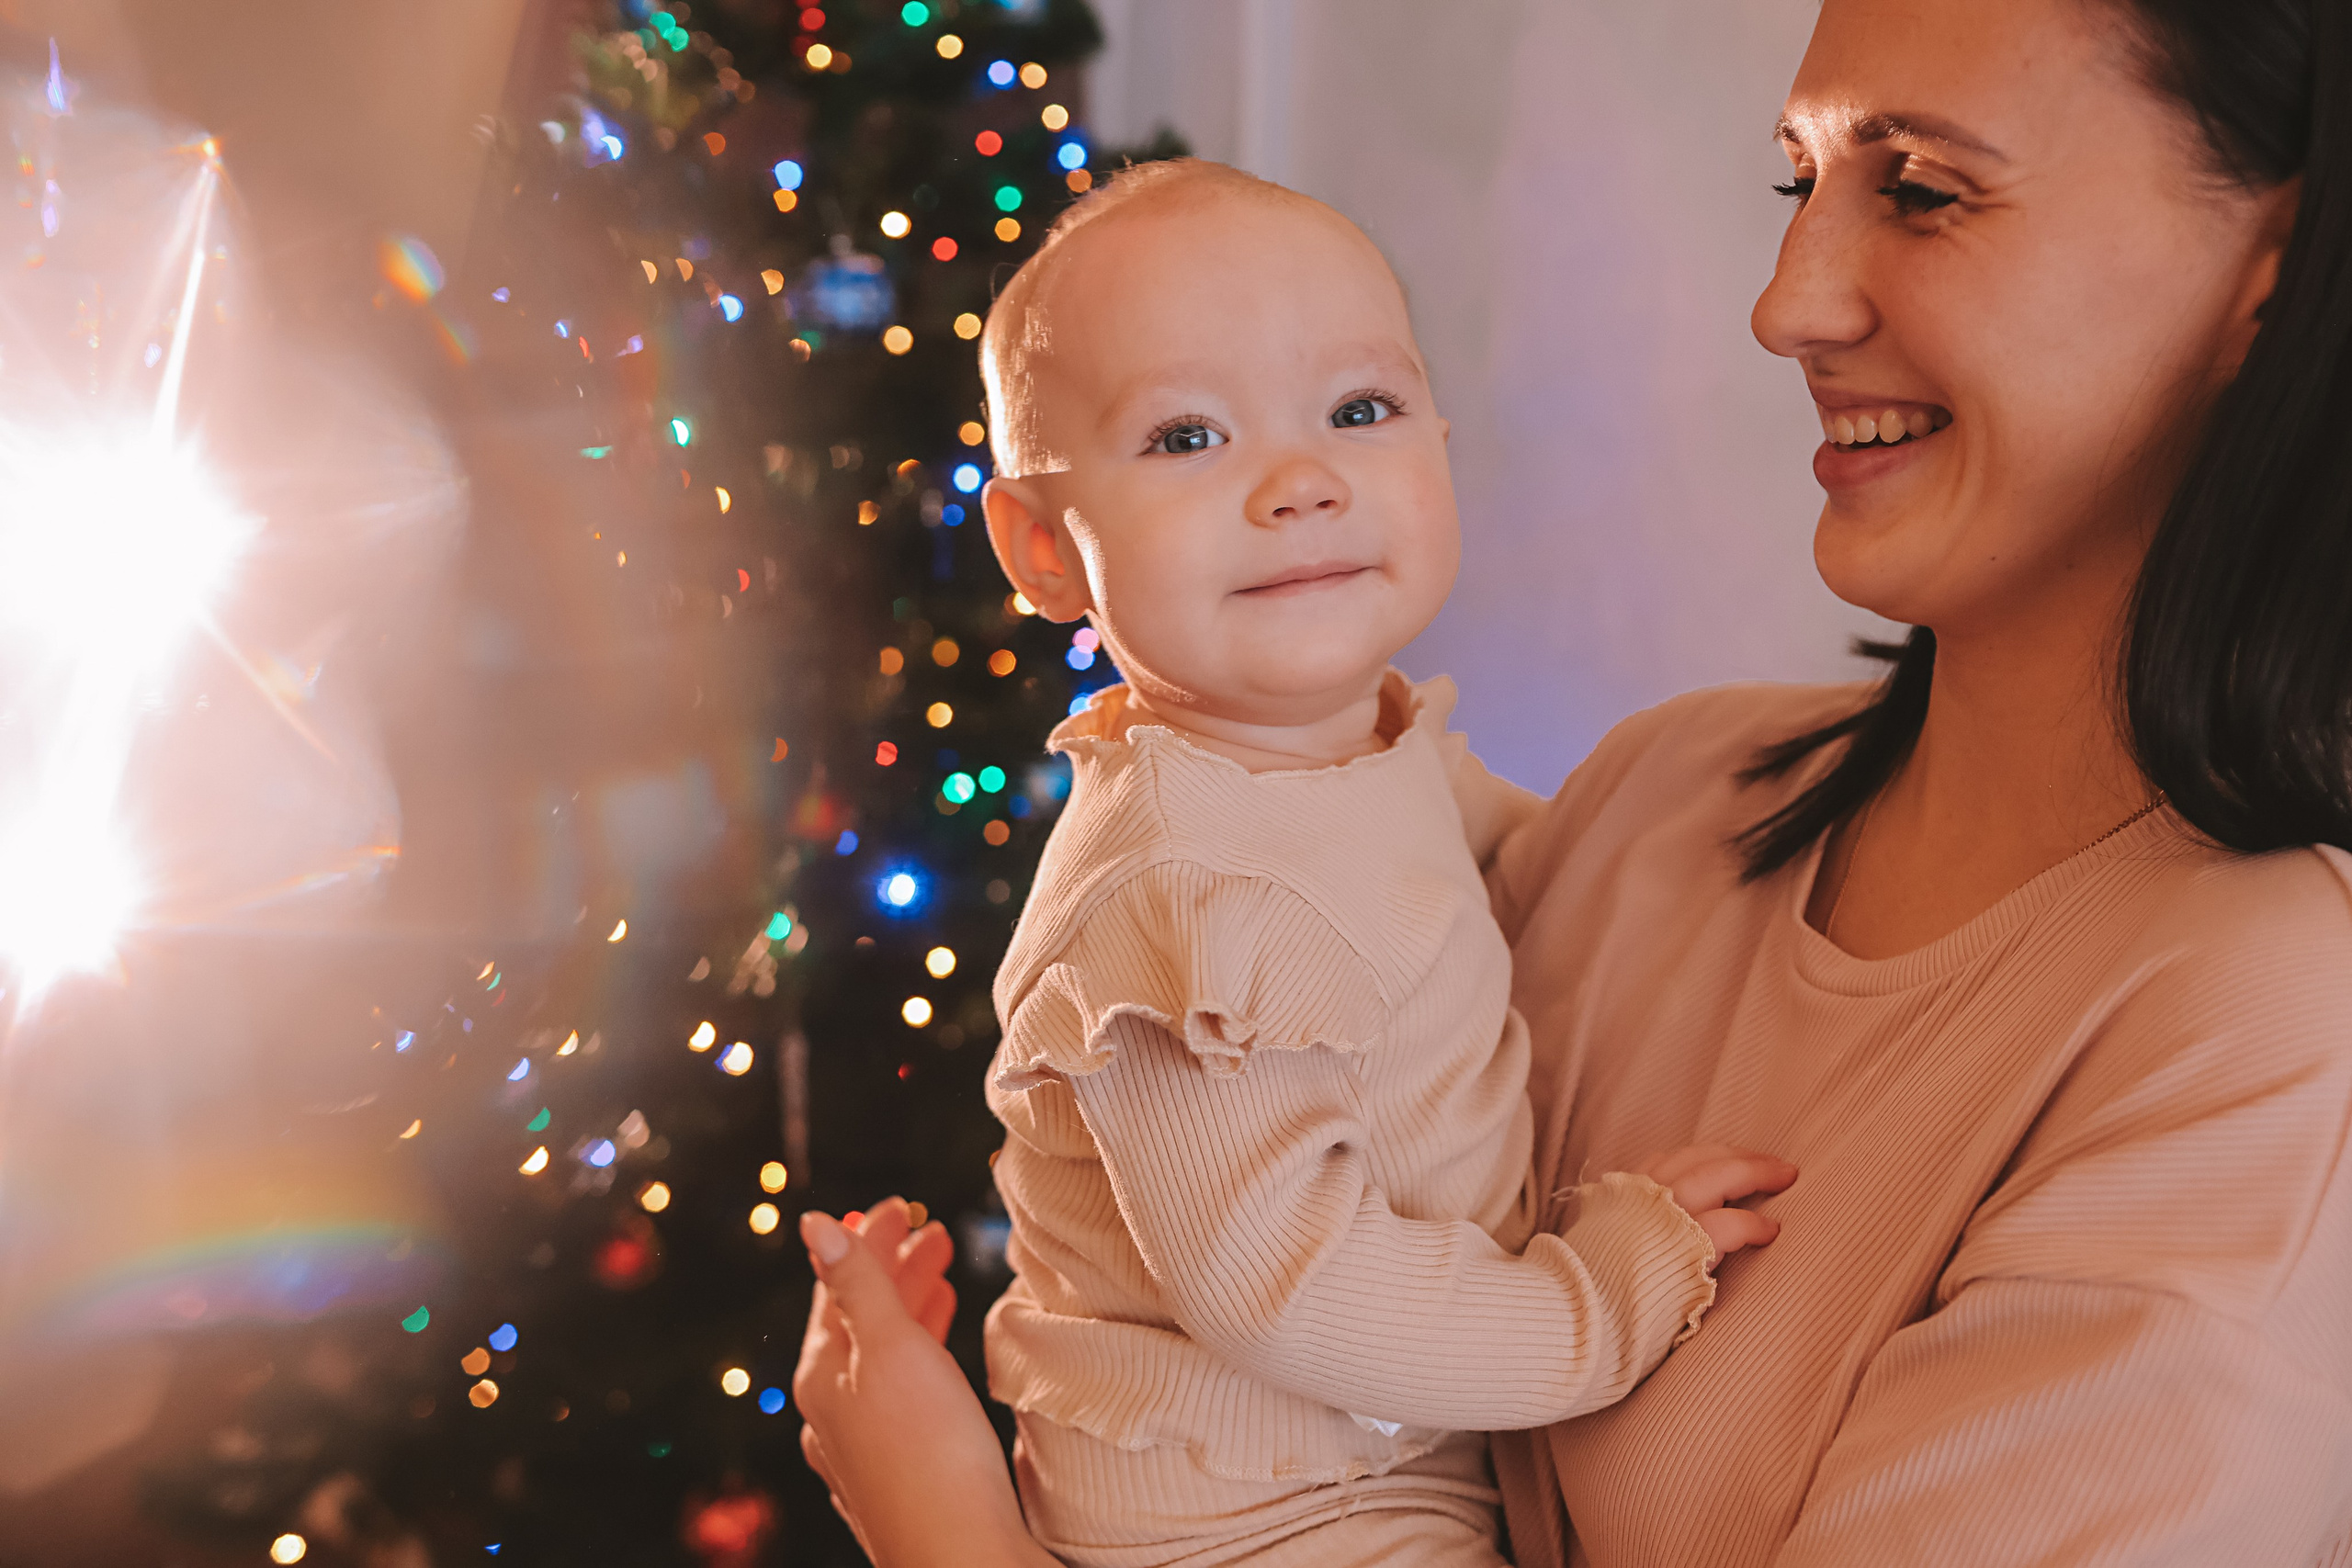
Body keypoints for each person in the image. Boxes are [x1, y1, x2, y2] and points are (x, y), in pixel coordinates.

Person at [795, 0, 2352, 1562]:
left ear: (2271, 278)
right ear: (1044, 545)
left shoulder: (2270, 1033)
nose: (1787, 301)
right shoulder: (1662, 793)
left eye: (1927, 189)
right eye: (1793, 185)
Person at [888, 155, 1795, 1568]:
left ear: (1438, 435)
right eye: (1188, 437)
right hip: (1257, 1517)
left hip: (1398, 1454)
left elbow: (1564, 876)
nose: (1301, 482)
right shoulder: (1177, 903)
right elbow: (1289, 1284)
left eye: (1359, 412)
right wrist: (1602, 1301)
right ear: (1043, 551)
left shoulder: (1370, 745)